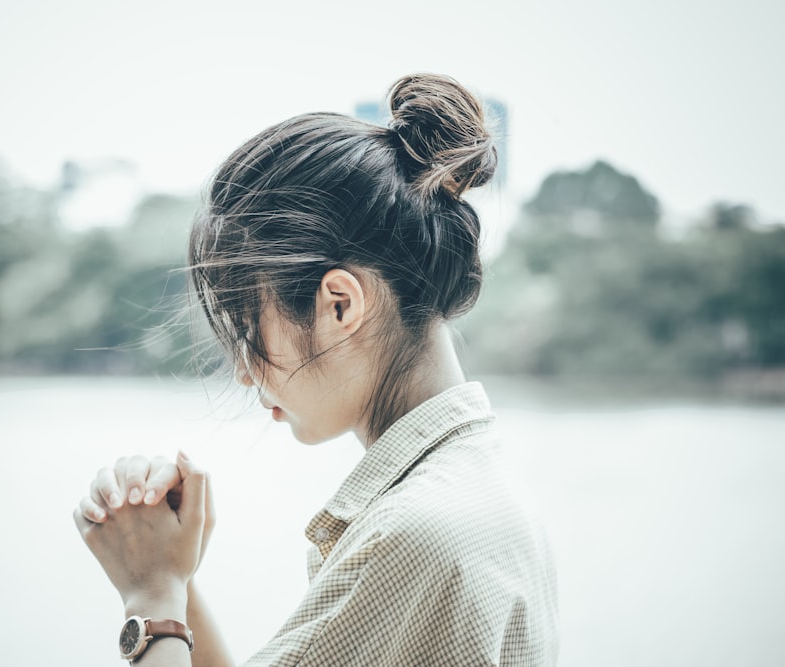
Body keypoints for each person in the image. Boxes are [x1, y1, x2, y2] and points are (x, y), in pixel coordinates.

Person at [72, 73, 560, 666]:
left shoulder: (416, 534)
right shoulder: (473, 486)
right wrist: (172, 572)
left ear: (339, 305)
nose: (246, 375)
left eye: (250, 331)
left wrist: (150, 596)